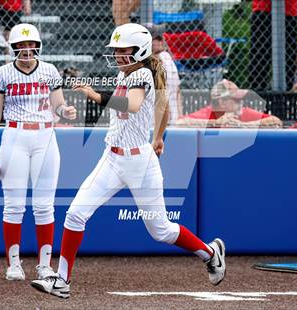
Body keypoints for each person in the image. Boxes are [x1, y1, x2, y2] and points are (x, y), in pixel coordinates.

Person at [30, 23, 226, 299]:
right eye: (117, 50)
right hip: (112, 157)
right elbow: (163, 108)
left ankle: (209, 252)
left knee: (161, 230)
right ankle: (62, 280)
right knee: (75, 214)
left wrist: (94, 94)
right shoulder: (128, 74)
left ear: (140, 50)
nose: (119, 55)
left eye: (125, 50)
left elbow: (133, 105)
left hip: (139, 164)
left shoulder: (142, 73)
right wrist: (158, 137)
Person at [0, 23, 76, 281]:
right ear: (13, 47)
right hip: (15, 135)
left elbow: (58, 105)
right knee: (13, 204)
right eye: (21, 46)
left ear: (37, 45)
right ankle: (13, 264)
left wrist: (65, 112)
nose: (26, 50)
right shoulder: (3, 73)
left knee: (45, 205)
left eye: (30, 45)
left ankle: (44, 265)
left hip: (45, 135)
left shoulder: (49, 70)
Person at [176, 79, 282, 128]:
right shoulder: (208, 113)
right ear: (222, 102)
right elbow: (179, 124)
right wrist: (216, 123)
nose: (241, 102)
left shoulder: (243, 112)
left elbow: (277, 122)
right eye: (236, 99)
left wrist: (243, 125)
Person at [248, 0, 297, 91]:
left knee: (289, 56)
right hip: (263, 10)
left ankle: (286, 89)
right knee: (260, 54)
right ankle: (258, 89)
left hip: (289, 11)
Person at [151, 29, 183, 125]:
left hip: (167, 111)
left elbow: (176, 90)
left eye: (161, 40)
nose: (160, 43)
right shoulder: (164, 57)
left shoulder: (164, 57)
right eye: (156, 40)